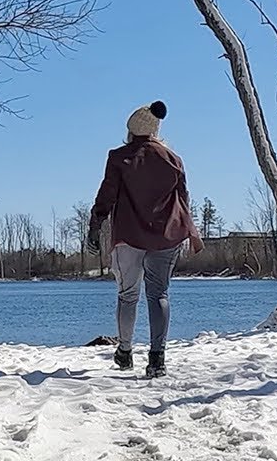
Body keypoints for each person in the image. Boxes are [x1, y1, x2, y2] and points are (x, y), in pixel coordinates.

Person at [87, 100, 204, 378]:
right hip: (167, 236)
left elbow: (107, 194)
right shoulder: (173, 159)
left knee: (128, 295)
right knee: (158, 294)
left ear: (130, 131)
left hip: (129, 235)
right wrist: (191, 232)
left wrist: (96, 223)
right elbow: (183, 201)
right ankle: (157, 359)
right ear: (155, 130)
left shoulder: (119, 157)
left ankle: (125, 351)